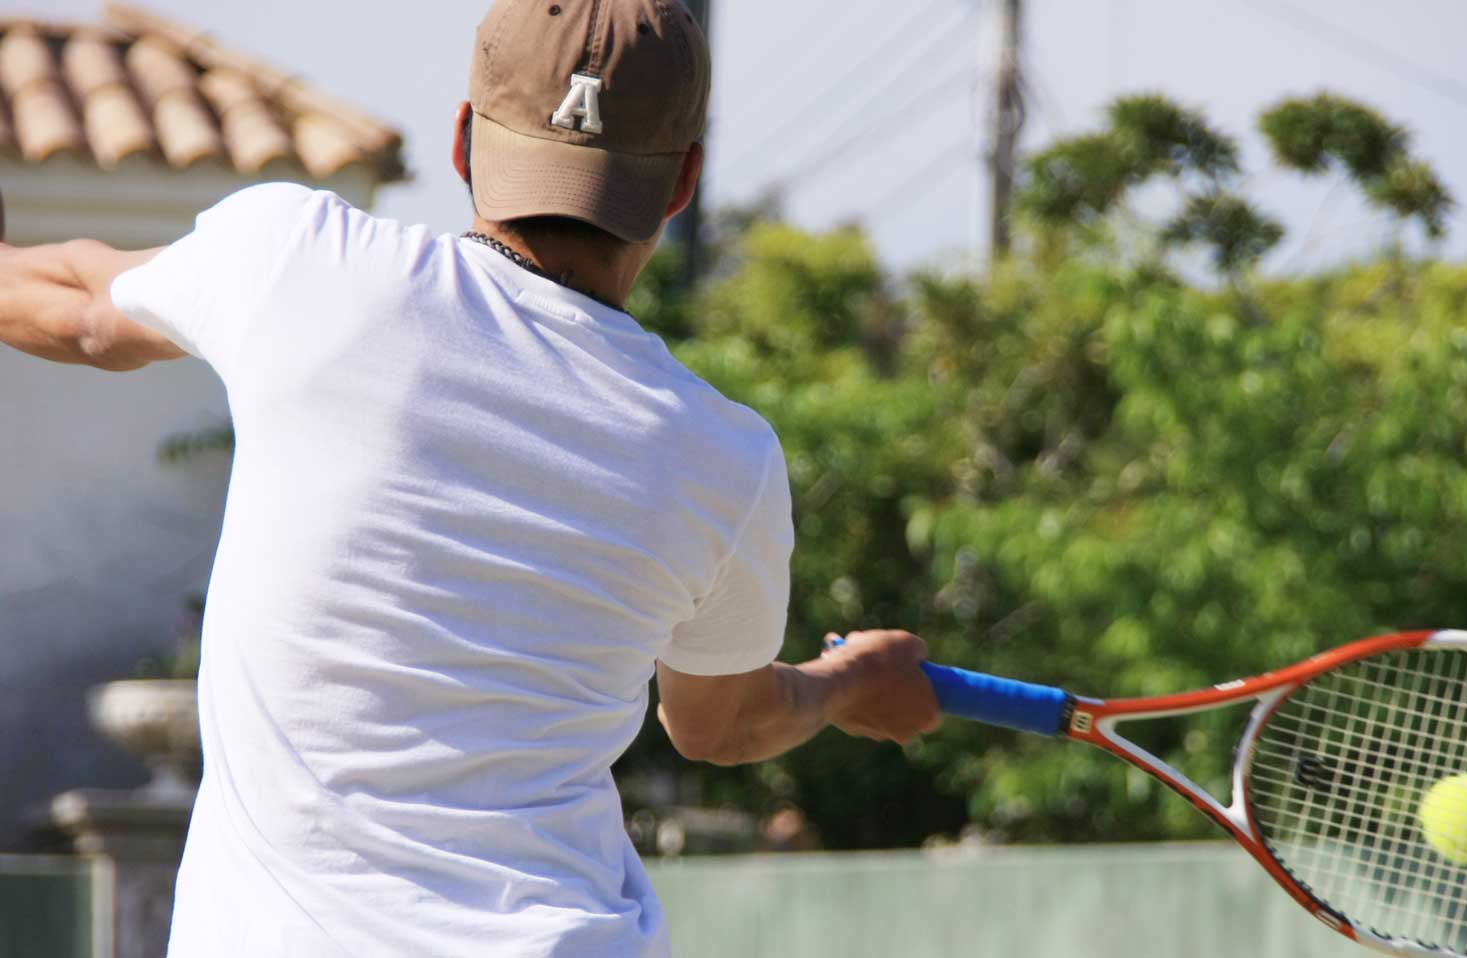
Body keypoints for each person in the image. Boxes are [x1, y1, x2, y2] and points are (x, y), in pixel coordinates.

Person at [0, 1, 939, 954]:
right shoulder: (724, 457)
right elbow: (721, 724)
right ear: (682, 183)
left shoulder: (300, 264)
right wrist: (848, 681)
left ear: (462, 140)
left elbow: (76, 307)